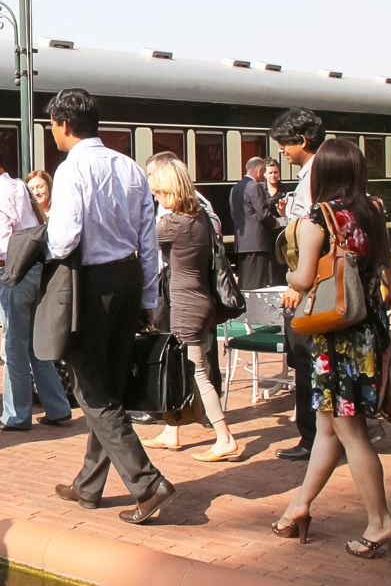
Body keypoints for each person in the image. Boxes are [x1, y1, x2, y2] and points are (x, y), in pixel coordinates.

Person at [43, 89, 175, 524]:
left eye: (52, 125)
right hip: (128, 277)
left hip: (90, 283)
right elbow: (148, 241)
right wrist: (149, 298)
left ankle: (147, 483)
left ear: (64, 124)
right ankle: (89, 484)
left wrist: (40, 244)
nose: (52, 133)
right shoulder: (131, 167)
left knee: (90, 388)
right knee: (110, 383)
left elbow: (64, 238)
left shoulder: (71, 169)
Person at [272, 137, 391, 561]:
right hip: (367, 333)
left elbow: (304, 277)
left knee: (351, 433)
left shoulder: (319, 216)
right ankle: (298, 507)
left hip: (335, 336)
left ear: (323, 174)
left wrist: (290, 278)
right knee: (329, 428)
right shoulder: (372, 211)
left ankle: (380, 522)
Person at [143, 156, 244, 462]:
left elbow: (138, 241)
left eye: (159, 192)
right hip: (199, 298)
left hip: (186, 304)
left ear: (169, 189)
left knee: (196, 371)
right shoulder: (198, 216)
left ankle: (225, 437)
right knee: (184, 368)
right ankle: (171, 431)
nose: (156, 197)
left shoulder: (172, 224)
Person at [0, 142, 72, 432]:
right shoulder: (21, 188)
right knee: (37, 345)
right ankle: (58, 407)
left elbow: (4, 250)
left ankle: (16, 414)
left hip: (14, 276)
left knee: (13, 346)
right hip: (37, 271)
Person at [269, 107, 324, 462]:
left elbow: (310, 235)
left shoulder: (313, 176)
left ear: (302, 141)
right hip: (310, 283)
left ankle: (312, 436)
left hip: (307, 286)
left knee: (306, 360)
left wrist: (297, 283)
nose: (282, 151)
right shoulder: (316, 173)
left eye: (285, 144)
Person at [231, 156, 280, 290]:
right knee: (257, 285)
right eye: (263, 172)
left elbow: (234, 214)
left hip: (242, 243)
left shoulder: (235, 188)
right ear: (259, 171)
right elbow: (263, 214)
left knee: (245, 283)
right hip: (257, 243)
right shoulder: (254, 187)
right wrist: (276, 223)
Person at [263, 158, 289, 285]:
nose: (273, 175)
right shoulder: (260, 190)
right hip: (265, 233)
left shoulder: (286, 190)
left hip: (281, 232)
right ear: (264, 174)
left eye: (276, 172)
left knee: (281, 262)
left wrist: (283, 212)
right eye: (270, 173)